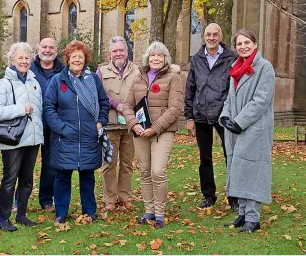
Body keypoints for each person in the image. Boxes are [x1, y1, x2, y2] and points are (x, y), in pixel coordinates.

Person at [44, 40, 109, 224]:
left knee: (87, 176)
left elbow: (104, 103)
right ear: (68, 59)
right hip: (65, 137)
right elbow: (49, 107)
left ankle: (90, 212)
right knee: (62, 177)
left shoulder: (93, 79)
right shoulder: (58, 80)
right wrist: (61, 128)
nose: (77, 60)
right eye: (74, 57)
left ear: (85, 59)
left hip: (89, 137)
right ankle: (61, 213)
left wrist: (100, 122)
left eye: (80, 56)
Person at [123, 41, 183, 229]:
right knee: (145, 171)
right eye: (153, 55)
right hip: (140, 133)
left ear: (166, 59)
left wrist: (155, 128)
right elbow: (127, 105)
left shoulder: (174, 78)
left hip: (162, 132)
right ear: (147, 58)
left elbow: (175, 108)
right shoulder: (138, 77)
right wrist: (134, 124)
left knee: (158, 171)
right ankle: (149, 210)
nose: (156, 58)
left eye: (160, 55)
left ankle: (160, 213)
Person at [221, 29, 275, 233]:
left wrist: (240, 121)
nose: (243, 46)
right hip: (235, 129)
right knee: (237, 171)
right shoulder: (236, 67)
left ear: (255, 43)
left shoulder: (264, 68)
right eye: (239, 43)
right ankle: (242, 215)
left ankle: (253, 218)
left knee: (252, 172)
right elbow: (229, 97)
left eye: (247, 42)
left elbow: (261, 100)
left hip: (254, 129)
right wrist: (225, 116)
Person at [0, 42, 44, 231]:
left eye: (27, 58)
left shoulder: (34, 82)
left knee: (27, 180)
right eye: (20, 57)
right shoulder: (4, 83)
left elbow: (40, 112)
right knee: (10, 179)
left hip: (32, 140)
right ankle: (3, 218)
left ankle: (21, 214)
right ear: (12, 60)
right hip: (13, 139)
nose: (24, 61)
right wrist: (20, 109)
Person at [184, 23, 238, 209]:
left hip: (224, 115)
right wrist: (189, 117)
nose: (212, 38)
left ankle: (234, 197)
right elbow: (190, 89)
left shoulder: (232, 57)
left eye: (215, 34)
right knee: (204, 158)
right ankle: (208, 196)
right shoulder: (197, 58)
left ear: (221, 36)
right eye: (208, 34)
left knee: (230, 155)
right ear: (204, 36)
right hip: (201, 115)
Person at [96, 36, 138, 211]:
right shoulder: (101, 71)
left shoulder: (137, 70)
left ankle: (125, 197)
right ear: (110, 54)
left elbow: (142, 92)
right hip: (110, 124)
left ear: (126, 52)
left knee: (127, 164)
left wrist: (128, 107)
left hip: (130, 124)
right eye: (115, 51)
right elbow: (99, 94)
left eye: (121, 50)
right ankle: (110, 199)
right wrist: (117, 104)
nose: (118, 53)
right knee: (109, 163)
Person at [30, 38, 64, 213]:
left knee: (50, 165)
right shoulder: (28, 68)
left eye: (51, 47)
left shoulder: (63, 71)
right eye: (44, 47)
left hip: (53, 125)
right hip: (30, 124)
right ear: (38, 48)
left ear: (56, 51)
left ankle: (46, 200)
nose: (48, 50)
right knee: (23, 164)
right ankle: (18, 200)